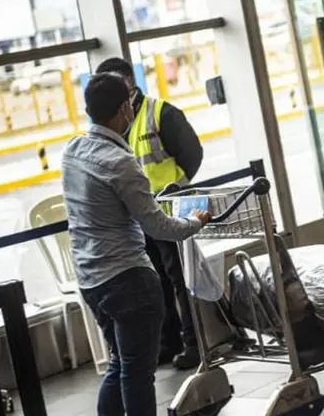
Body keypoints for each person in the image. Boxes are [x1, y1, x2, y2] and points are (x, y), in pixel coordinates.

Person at [62, 73, 211, 416]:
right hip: (129, 281)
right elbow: (156, 225)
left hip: (91, 281)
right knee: (138, 374)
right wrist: (194, 223)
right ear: (124, 109)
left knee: (120, 365)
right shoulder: (121, 163)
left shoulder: (72, 152)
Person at [94, 57, 204, 369]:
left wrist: (174, 190)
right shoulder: (114, 125)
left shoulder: (160, 113)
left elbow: (192, 154)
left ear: (131, 84)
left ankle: (195, 343)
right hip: (138, 219)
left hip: (168, 212)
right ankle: (169, 344)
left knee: (180, 279)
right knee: (156, 283)